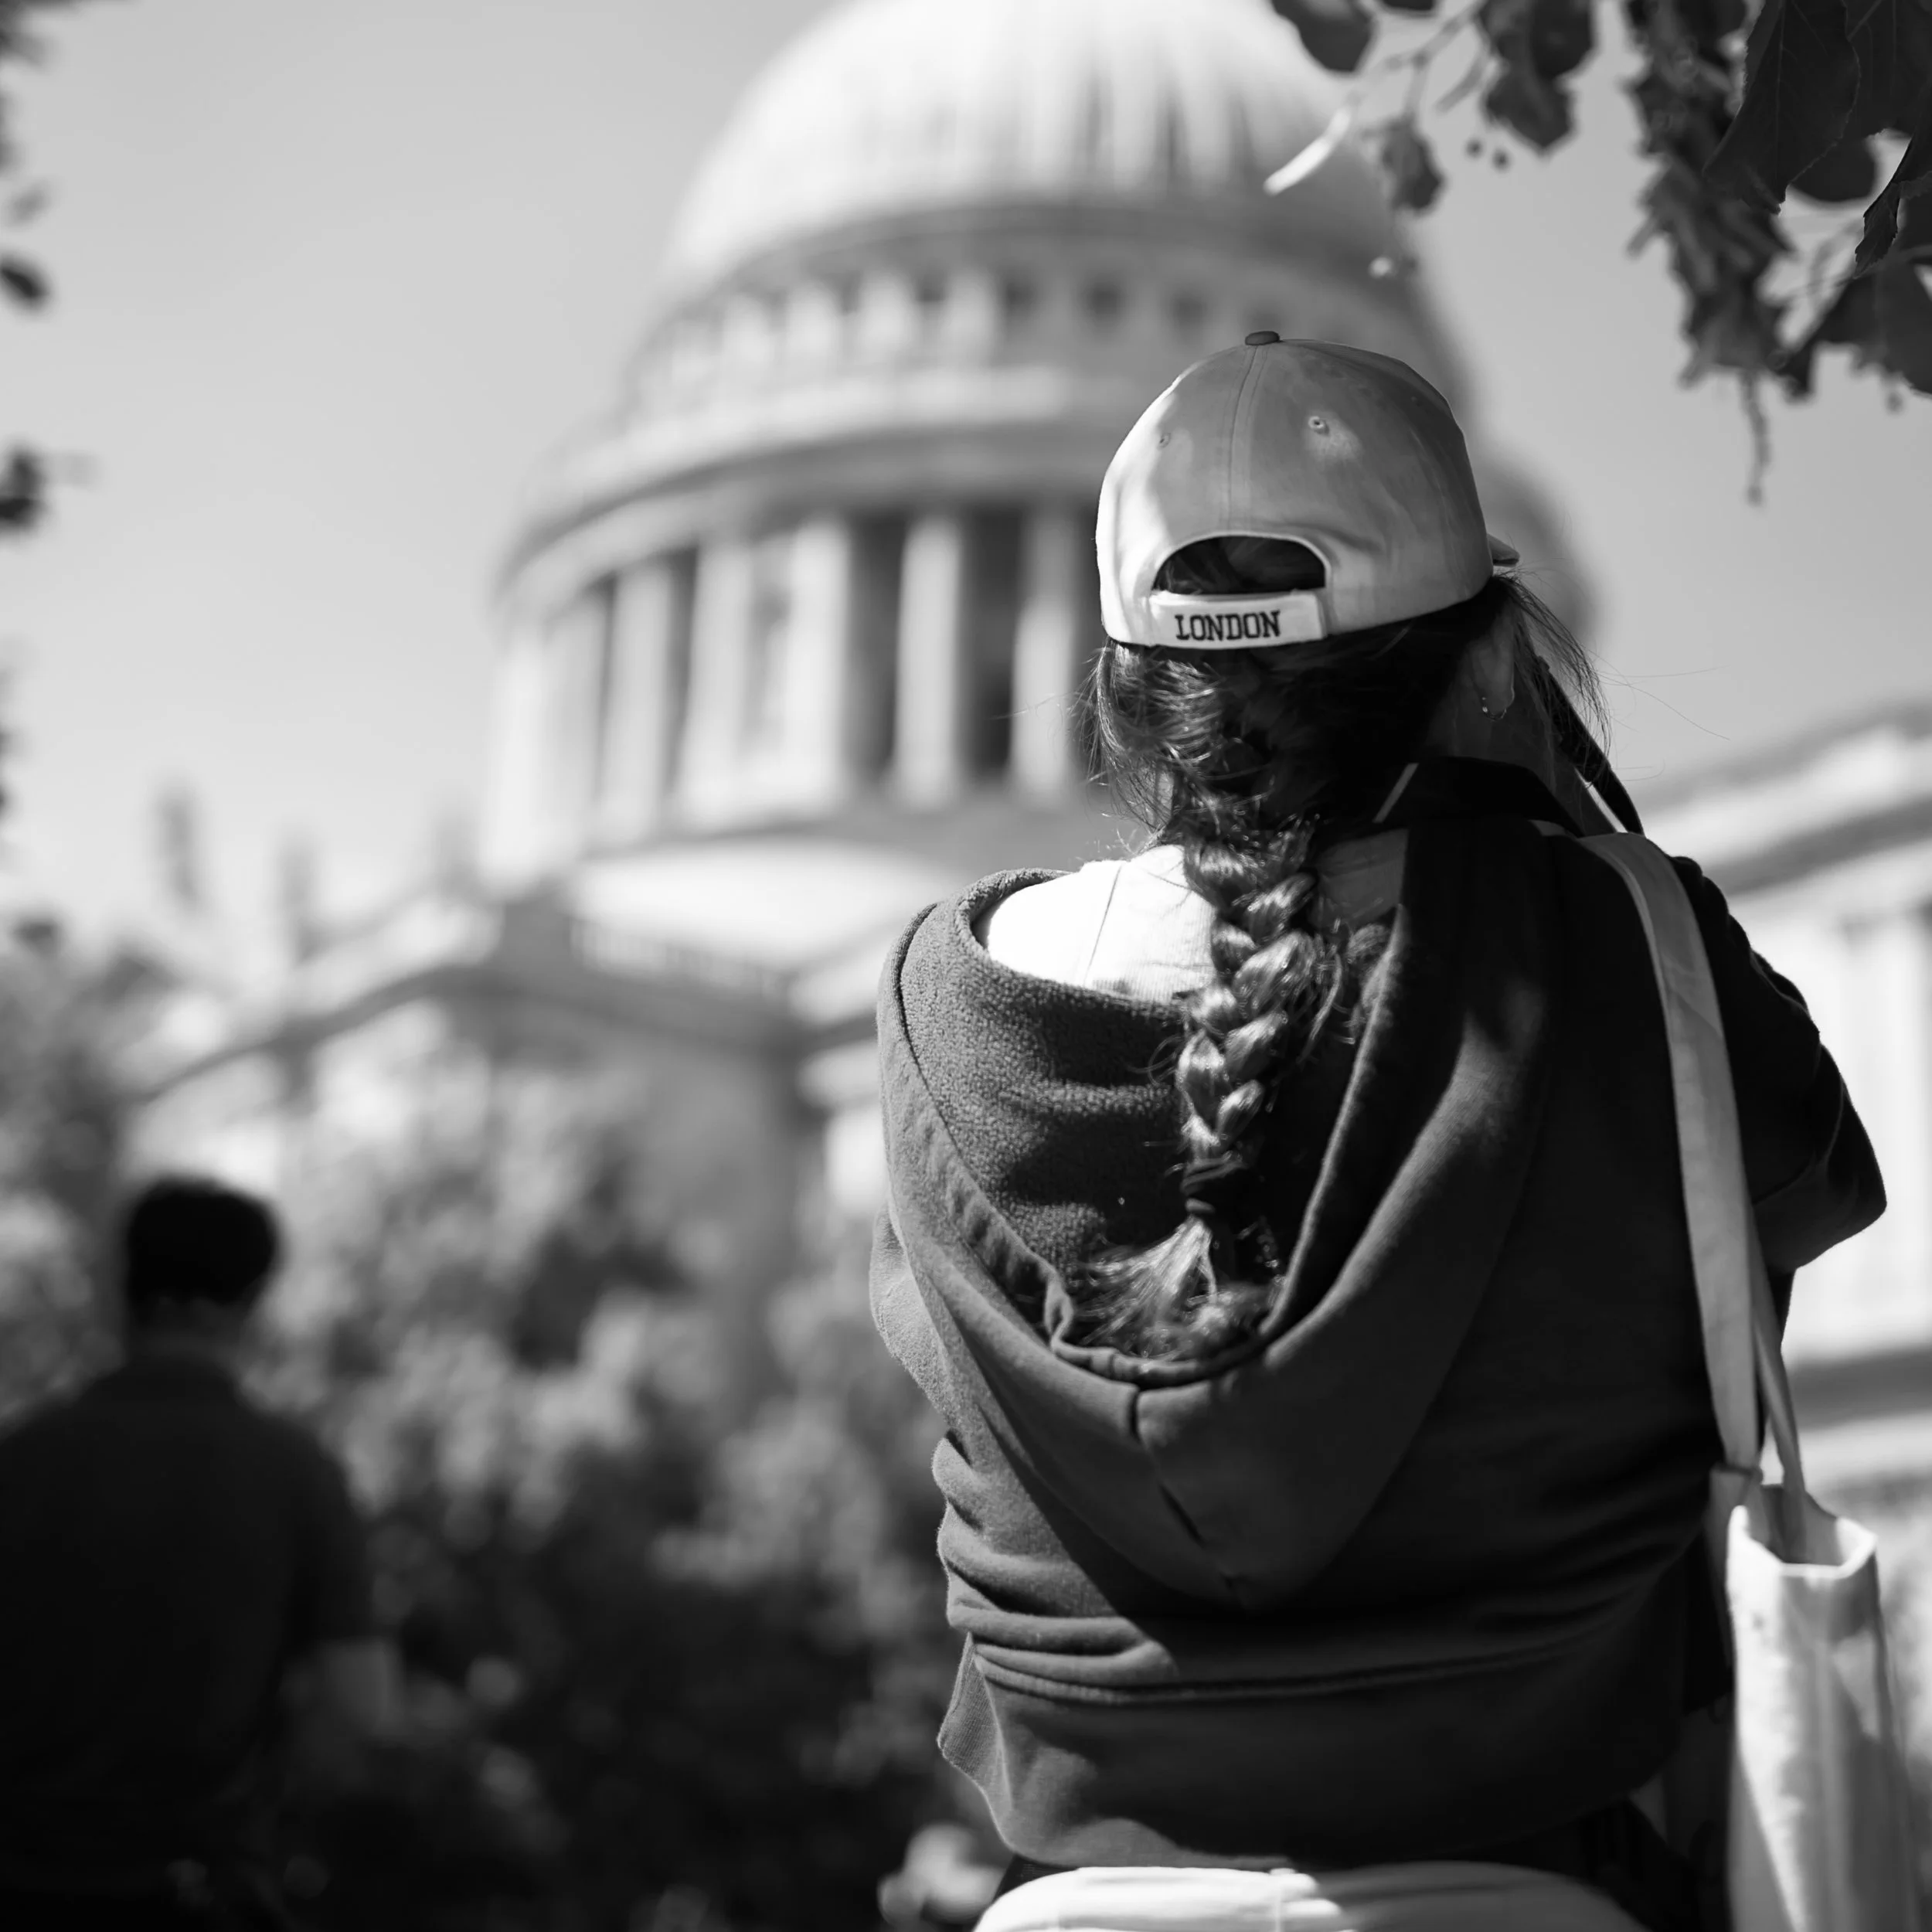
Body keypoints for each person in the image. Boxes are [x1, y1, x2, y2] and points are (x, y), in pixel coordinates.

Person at [869, 338, 1883, 1931]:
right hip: (1537, 1878)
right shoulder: (1624, 950)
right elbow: (1796, 1183)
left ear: (1129, 685)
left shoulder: (949, 992)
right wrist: (1556, 837)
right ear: (1486, 662)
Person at [0, 1175, 399, 1930]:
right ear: (253, 1302)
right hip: (196, 1889)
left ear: (123, 1288)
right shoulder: (296, 1475)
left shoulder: (21, 1459)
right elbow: (359, 1709)